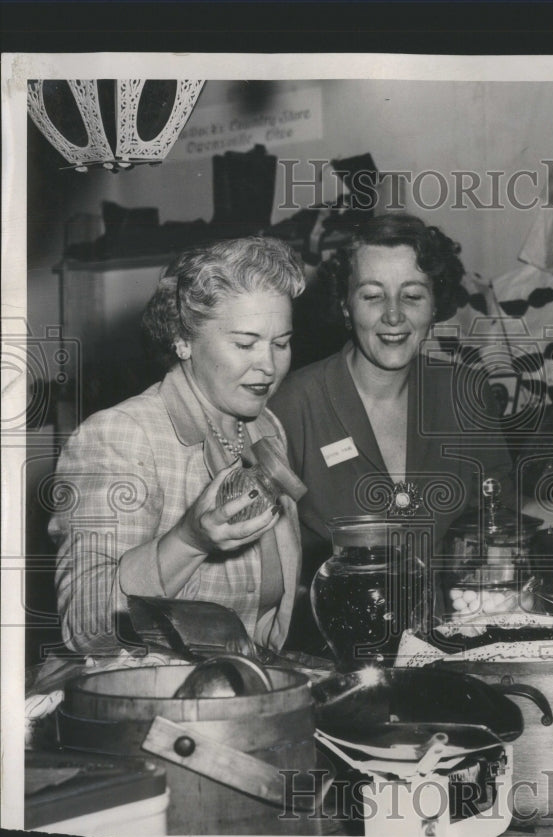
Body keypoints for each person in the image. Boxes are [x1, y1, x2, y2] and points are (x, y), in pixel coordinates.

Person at [49, 236, 307, 654]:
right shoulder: (119, 435)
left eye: (281, 343)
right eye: (245, 344)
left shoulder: (264, 426)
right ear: (183, 341)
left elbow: (260, 613)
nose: (269, 365)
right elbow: (84, 625)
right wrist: (190, 541)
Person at [269, 214, 516, 648]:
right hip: (331, 655)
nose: (394, 316)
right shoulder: (292, 405)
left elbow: (499, 520)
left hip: (454, 646)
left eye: (413, 295)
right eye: (372, 296)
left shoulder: (467, 393)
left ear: (435, 303)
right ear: (345, 305)